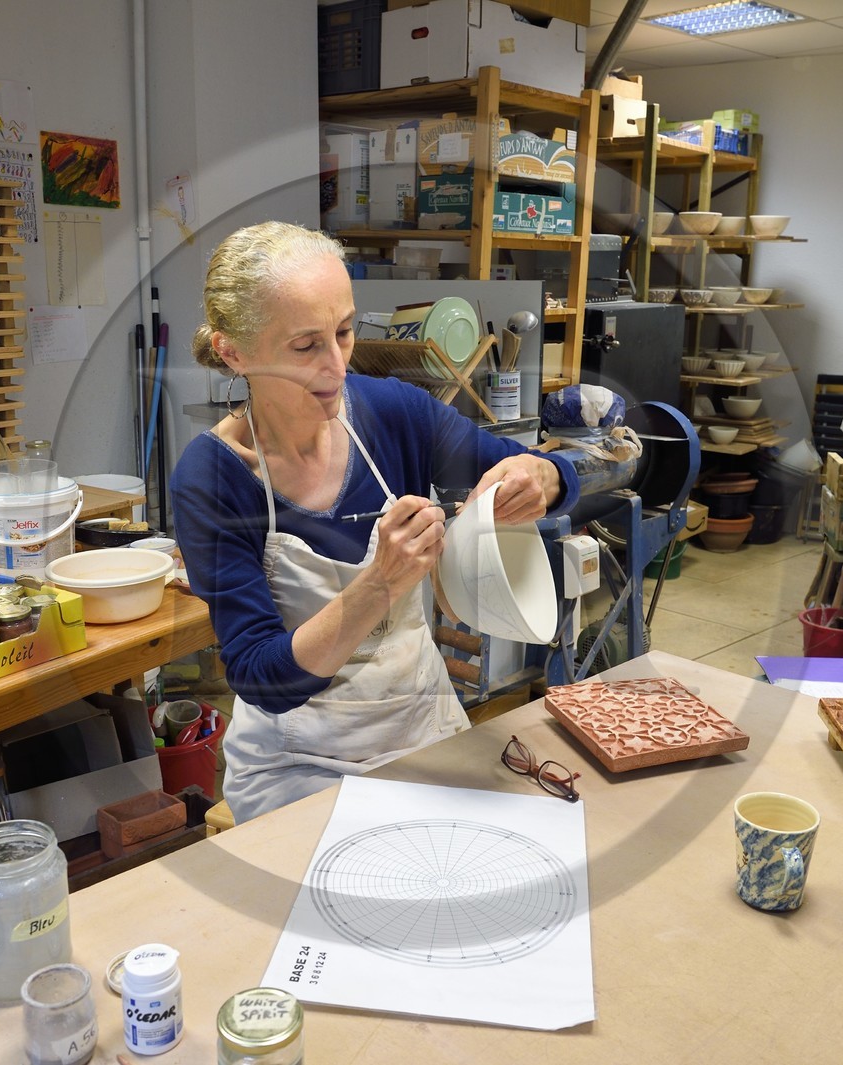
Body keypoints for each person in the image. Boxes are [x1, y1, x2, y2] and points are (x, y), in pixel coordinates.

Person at [170, 222, 580, 823]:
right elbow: (263, 679)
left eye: (343, 333)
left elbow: (543, 472)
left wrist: (543, 476)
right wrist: (380, 584)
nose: (336, 367)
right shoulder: (213, 478)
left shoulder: (396, 413)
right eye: (305, 347)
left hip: (423, 727)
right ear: (234, 352)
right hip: (299, 760)